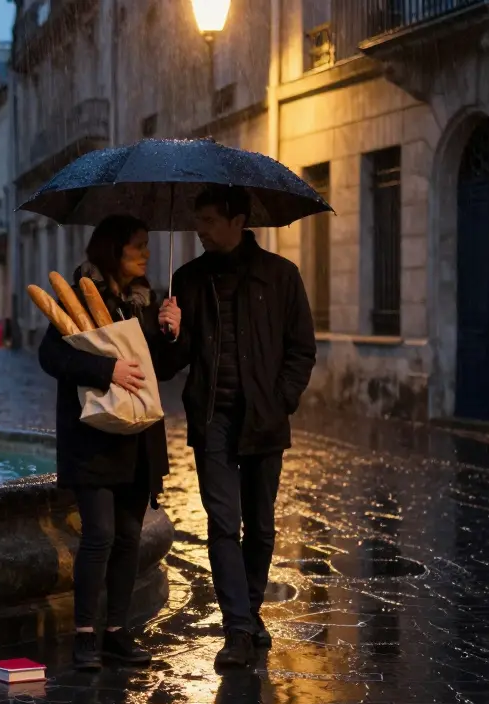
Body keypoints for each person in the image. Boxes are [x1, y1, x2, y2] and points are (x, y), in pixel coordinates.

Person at [156, 184, 317, 667]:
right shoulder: (186, 280)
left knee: (262, 527)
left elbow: (302, 350)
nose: (199, 230)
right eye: (197, 221)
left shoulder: (281, 276)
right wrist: (169, 331)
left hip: (264, 421)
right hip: (213, 421)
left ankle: (248, 609)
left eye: (207, 221)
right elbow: (170, 365)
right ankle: (239, 628)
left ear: (237, 220)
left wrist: (282, 399)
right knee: (224, 525)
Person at [38, 215, 181, 671]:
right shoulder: (81, 294)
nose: (146, 254)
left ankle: (117, 633)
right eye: (138, 246)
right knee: (99, 535)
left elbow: (163, 368)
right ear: (113, 251)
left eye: (146, 245)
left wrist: (172, 332)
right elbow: (51, 355)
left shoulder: (147, 301)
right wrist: (105, 371)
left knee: (130, 536)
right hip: (95, 437)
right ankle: (85, 636)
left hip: (139, 436)